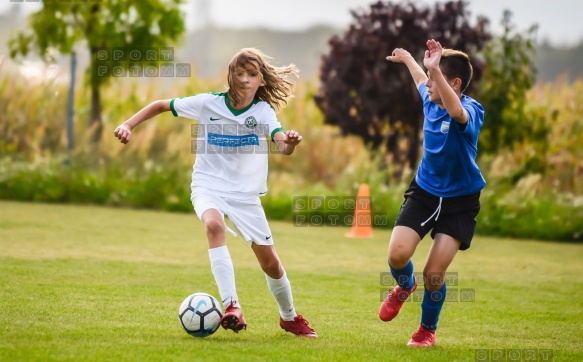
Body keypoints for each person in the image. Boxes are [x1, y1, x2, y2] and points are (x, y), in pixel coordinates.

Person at [114, 48, 317, 338]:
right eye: (239, 73)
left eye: (252, 74)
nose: (245, 79)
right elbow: (161, 105)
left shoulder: (262, 112)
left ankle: (289, 317)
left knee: (270, 263)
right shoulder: (208, 104)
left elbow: (281, 144)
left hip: (245, 197)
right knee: (213, 225)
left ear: (261, 80)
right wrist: (127, 124)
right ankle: (232, 305)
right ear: (230, 76)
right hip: (207, 185)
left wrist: (292, 142)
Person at [379, 39, 485, 347]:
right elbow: (419, 80)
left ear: (452, 82)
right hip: (425, 191)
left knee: (434, 274)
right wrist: (411, 60)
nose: (427, 84)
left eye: (435, 78)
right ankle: (403, 286)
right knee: (397, 255)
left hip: (460, 202)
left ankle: (427, 330)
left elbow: (456, 112)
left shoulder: (470, 110)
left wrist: (434, 69)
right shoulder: (430, 97)